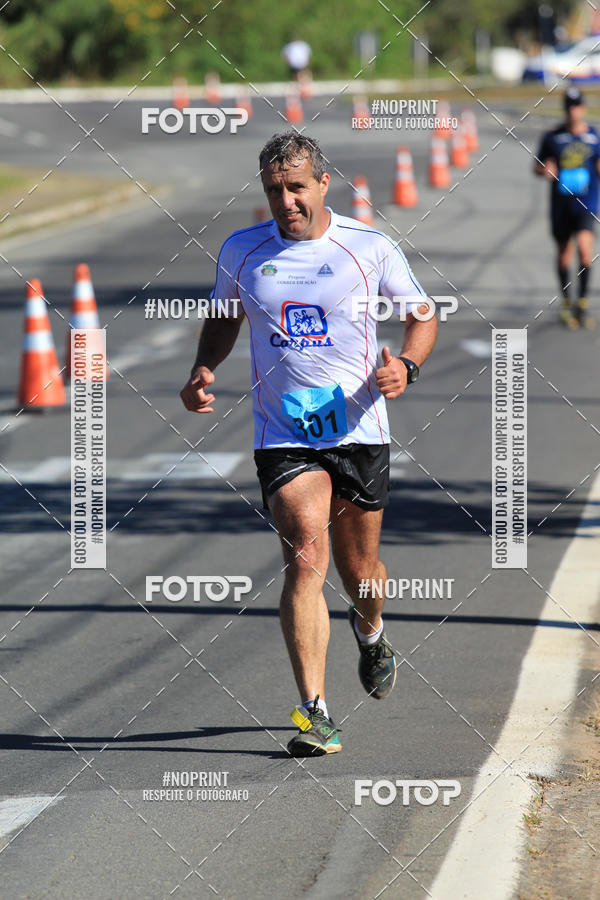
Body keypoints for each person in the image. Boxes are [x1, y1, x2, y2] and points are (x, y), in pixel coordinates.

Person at [180, 131, 438, 756]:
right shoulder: (243, 250)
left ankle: (371, 632)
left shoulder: (369, 248)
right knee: (304, 555)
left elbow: (423, 315)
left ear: (324, 184)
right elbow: (224, 318)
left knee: (361, 575)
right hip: (284, 433)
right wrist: (203, 369)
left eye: (296, 188)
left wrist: (406, 365)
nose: (286, 201)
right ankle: (314, 711)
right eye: (275, 190)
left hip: (358, 429)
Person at [535, 86, 600, 329]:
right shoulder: (553, 138)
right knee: (564, 255)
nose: (573, 111)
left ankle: (582, 304)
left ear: (583, 108)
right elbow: (537, 166)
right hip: (561, 205)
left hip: (586, 204)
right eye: (569, 106)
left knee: (585, 252)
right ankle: (565, 303)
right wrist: (546, 169)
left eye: (577, 106)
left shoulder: (594, 137)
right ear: (565, 109)